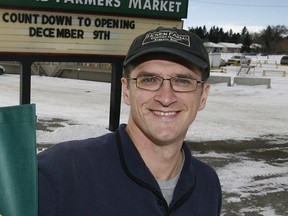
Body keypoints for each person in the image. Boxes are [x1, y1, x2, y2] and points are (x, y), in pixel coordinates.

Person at [38, 27, 222, 215]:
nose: (166, 98)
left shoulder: (207, 184)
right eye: (149, 79)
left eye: (183, 81)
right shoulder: (60, 172)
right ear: (126, 90)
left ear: (203, 97)